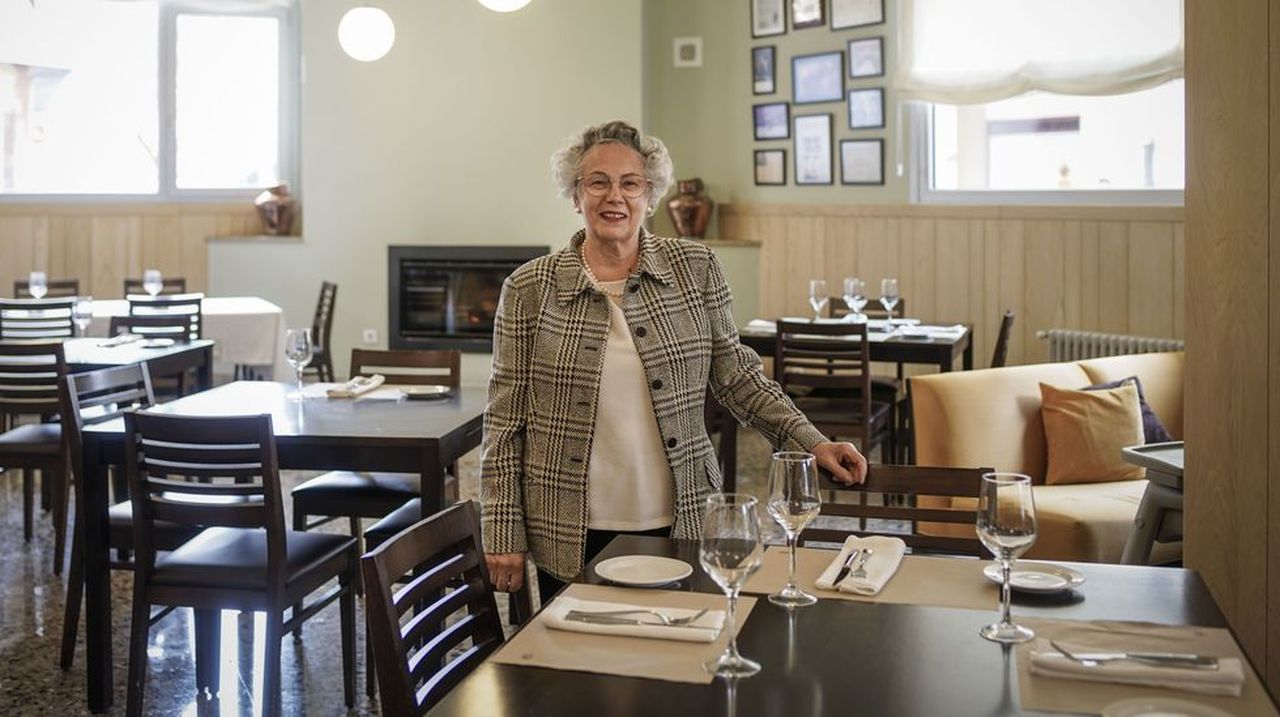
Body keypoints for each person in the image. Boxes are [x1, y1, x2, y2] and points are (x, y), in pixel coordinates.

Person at [481, 120, 867, 600]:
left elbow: (739, 378)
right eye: (597, 182)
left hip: (681, 511)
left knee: (679, 646)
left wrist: (812, 442)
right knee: (579, 658)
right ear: (575, 195)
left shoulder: (696, 269)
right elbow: (504, 420)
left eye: (630, 183)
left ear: (651, 195)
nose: (613, 197)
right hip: (565, 523)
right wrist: (501, 531)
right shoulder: (529, 288)